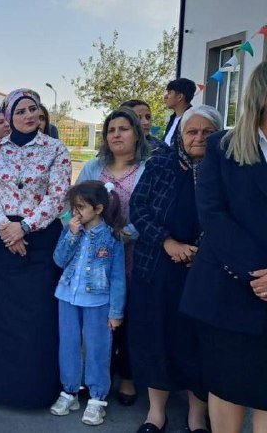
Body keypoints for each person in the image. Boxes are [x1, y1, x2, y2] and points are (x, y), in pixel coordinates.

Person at [180, 62, 267, 433]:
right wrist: (259, 273)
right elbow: (213, 215)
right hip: (229, 291)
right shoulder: (222, 147)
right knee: (228, 388)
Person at [0, 88, 71, 408]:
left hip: (39, 241)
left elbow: (57, 196)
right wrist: (6, 229)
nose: (28, 115)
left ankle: (35, 391)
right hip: (0, 241)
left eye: (33, 109)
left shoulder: (56, 149)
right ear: (8, 116)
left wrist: (24, 227)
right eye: (20, 111)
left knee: (37, 318)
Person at [129, 105, 221, 433]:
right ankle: (156, 414)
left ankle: (197, 417)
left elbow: (231, 217)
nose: (199, 137)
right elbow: (138, 208)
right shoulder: (160, 164)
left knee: (198, 344)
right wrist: (167, 242)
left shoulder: (226, 169)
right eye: (192, 131)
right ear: (181, 136)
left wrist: (203, 252)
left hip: (206, 270)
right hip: (158, 266)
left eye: (207, 132)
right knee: (157, 338)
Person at [77, 107, 151, 406]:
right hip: (97, 257)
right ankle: (98, 374)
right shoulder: (93, 168)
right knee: (99, 316)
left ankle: (128, 376)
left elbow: (155, 211)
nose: (117, 135)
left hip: (135, 253)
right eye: (111, 130)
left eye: (124, 129)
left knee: (128, 316)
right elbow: (74, 205)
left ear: (137, 134)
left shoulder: (148, 169)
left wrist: (125, 234)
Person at [50, 181, 126, 426]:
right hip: (67, 296)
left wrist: (116, 312)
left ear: (99, 208)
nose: (76, 213)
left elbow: (118, 277)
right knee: (68, 345)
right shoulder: (70, 230)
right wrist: (71, 235)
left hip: (98, 301)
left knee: (98, 348)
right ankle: (69, 391)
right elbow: (59, 259)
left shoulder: (112, 237)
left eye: (81, 207)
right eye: (74, 207)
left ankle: (97, 397)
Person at [163, 78, 196, 146]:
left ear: (180, 97)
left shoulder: (192, 119)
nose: (165, 97)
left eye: (169, 93)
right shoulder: (173, 118)